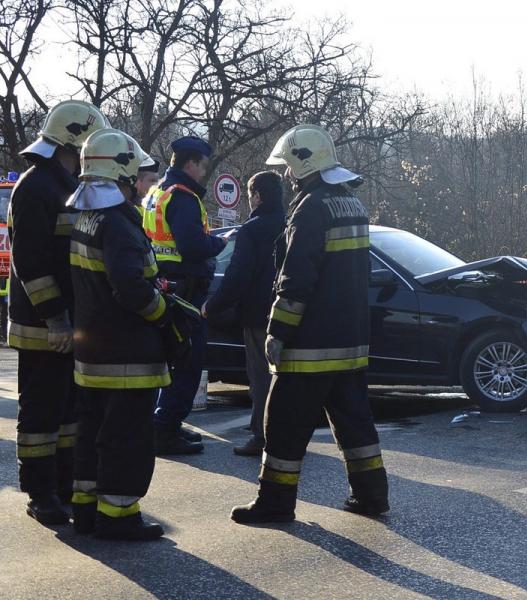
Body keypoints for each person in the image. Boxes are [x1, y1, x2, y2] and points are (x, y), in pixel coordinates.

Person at [231, 124, 388, 524]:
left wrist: (277, 331)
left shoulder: (310, 209)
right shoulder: (351, 204)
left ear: (304, 165)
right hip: (350, 343)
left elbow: (297, 278)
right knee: (355, 422)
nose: (285, 174)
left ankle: (275, 503)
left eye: (288, 166)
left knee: (282, 421)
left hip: (310, 345)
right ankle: (372, 495)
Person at [67, 128, 171, 540]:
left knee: (92, 432)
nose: (141, 186)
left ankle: (87, 509)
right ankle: (119, 516)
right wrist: (164, 314)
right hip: (128, 355)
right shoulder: (119, 224)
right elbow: (129, 287)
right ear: (123, 176)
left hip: (93, 352)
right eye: (137, 178)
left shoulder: (87, 218)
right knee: (127, 438)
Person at [8, 100, 107, 524]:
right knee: (41, 416)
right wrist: (56, 320)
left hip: (70, 324)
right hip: (43, 328)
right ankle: (39, 493)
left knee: (68, 413)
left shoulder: (63, 184)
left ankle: (64, 484)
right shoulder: (34, 188)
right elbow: (30, 264)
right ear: (75, 144)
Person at [142, 136, 227, 455]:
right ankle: (164, 429)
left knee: (170, 362)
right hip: (185, 293)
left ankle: (165, 425)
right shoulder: (184, 197)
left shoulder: (156, 192)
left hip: (163, 285)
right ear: (191, 163)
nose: (204, 173)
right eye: (203, 166)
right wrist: (220, 243)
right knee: (188, 364)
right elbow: (193, 246)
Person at [203, 171, 286, 457]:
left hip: (258, 315)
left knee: (261, 377)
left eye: (250, 195)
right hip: (289, 313)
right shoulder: (291, 225)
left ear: (258, 196)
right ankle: (287, 434)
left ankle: (262, 436)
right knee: (286, 377)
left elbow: (237, 276)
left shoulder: (252, 229)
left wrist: (212, 307)